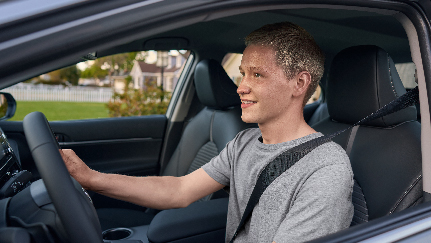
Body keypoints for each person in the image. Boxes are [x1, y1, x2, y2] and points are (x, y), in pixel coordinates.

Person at [61, 22, 353, 243]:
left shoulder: (325, 168)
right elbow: (177, 191)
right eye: (243, 73)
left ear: (299, 84)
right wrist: (91, 178)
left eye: (258, 74)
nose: (241, 86)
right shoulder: (244, 142)